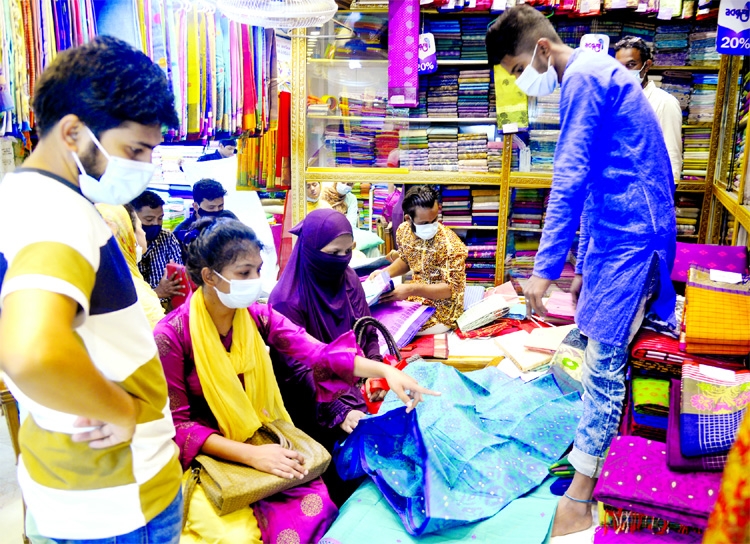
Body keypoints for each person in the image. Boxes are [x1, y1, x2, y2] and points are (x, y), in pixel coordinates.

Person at [486, 5, 676, 536]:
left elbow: (569, 177)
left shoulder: (586, 78)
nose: (521, 83)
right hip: (618, 235)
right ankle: (589, 455)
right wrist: (584, 260)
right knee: (586, 347)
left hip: (633, 238)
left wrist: (544, 270)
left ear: (542, 50)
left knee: (603, 362)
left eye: (517, 69)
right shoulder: (595, 73)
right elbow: (600, 177)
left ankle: (581, 493)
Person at [0, 36, 183, 542]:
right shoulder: (55, 215)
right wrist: (122, 410)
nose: (145, 166)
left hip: (74, 480)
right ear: (75, 132)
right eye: (135, 149)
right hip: (119, 495)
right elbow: (30, 351)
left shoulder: (19, 197)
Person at [155, 216, 437, 543]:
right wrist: (253, 456)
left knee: (318, 511)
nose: (256, 280)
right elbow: (180, 426)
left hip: (261, 439)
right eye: (244, 273)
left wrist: (386, 371)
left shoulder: (256, 317)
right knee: (236, 537)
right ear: (209, 276)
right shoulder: (171, 337)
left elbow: (318, 354)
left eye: (259, 270)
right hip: (210, 458)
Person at [269, 209, 381, 505]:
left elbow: (365, 328)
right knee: (332, 482)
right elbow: (297, 371)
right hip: (311, 405)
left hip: (355, 394)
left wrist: (376, 366)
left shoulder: (347, 278)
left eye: (348, 251)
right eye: (334, 252)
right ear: (310, 250)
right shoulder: (285, 301)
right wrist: (339, 410)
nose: (342, 259)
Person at [373, 185, 467, 334]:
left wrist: (411, 289)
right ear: (408, 219)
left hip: (442, 311)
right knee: (375, 314)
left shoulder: (451, 245)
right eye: (424, 223)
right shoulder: (404, 231)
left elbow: (451, 289)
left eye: (435, 219)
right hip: (415, 298)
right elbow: (406, 260)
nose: (431, 226)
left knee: (386, 330)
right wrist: (384, 274)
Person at [615, 36, 683, 182]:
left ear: (646, 66)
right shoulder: (615, 102)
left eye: (631, 65)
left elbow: (671, 158)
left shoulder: (664, 102)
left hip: (648, 190)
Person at [97, 203, 166, 329]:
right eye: (139, 227)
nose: (143, 233)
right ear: (128, 234)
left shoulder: (92, 283)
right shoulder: (138, 295)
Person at [131, 190, 185, 299]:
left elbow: (178, 279)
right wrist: (157, 293)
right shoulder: (123, 244)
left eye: (160, 218)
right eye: (149, 219)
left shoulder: (167, 238)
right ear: (133, 218)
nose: (156, 223)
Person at [173, 178, 227, 243]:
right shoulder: (181, 233)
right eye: (211, 207)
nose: (217, 210)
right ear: (195, 206)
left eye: (220, 206)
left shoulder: (229, 221)